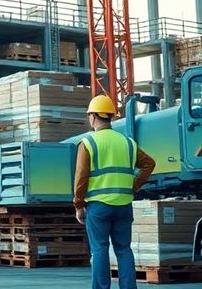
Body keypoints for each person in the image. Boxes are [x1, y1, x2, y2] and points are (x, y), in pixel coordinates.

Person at [74, 95, 156, 289]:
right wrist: (132, 187)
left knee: (100, 249)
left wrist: (78, 205)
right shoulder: (128, 143)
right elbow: (149, 164)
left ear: (93, 117)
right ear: (110, 116)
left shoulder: (88, 143)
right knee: (123, 250)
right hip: (123, 206)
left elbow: (81, 179)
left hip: (98, 207)